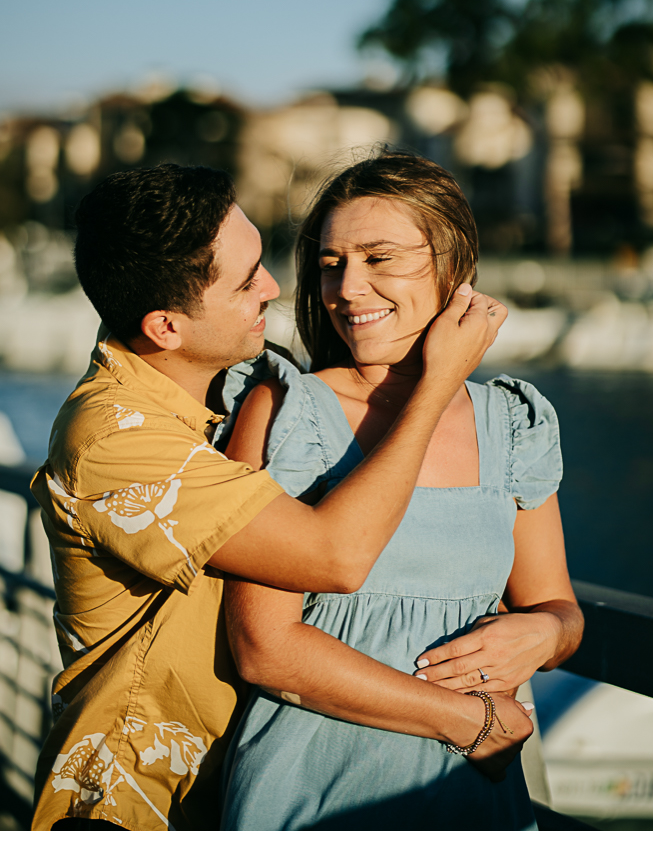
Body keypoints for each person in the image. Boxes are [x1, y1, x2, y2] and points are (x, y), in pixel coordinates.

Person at [29, 162, 506, 831]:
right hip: (135, 802)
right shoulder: (118, 440)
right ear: (167, 327)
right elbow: (334, 557)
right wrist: (437, 385)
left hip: (226, 785)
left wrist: (546, 627)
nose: (276, 287)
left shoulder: (210, 393)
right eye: (248, 278)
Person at [219, 150, 584, 831]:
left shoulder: (511, 422)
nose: (347, 289)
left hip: (476, 801)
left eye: (379, 258)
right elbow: (264, 648)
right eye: (331, 264)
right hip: (315, 796)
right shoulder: (285, 413)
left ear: (454, 269)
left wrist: (545, 633)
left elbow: (558, 607)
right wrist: (469, 722)